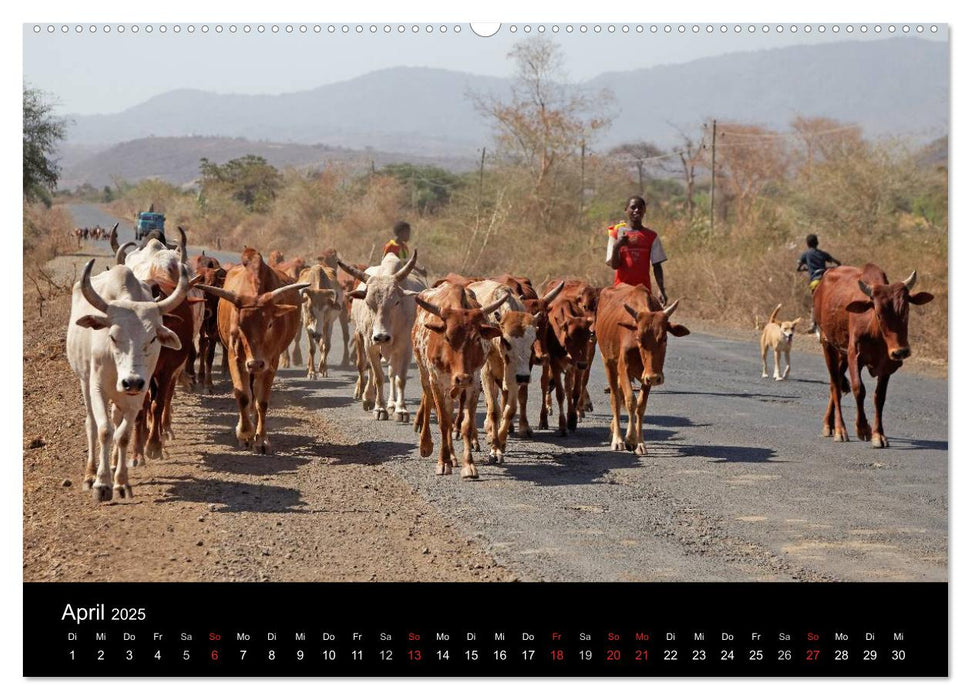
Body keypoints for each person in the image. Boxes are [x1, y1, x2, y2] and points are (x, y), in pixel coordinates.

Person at [605, 196, 669, 305]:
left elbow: (657, 266)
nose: (636, 211)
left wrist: (661, 289)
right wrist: (617, 246)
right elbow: (614, 265)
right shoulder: (616, 234)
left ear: (644, 210)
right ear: (626, 209)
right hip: (621, 290)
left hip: (643, 292)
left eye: (640, 208)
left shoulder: (651, 236)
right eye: (633, 207)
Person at [797, 233, 841, 334]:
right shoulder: (823, 254)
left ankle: (813, 324)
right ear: (817, 243)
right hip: (827, 279)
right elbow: (838, 263)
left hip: (816, 280)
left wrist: (804, 269)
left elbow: (798, 267)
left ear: (807, 244)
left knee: (815, 303)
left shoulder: (805, 255)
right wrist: (831, 268)